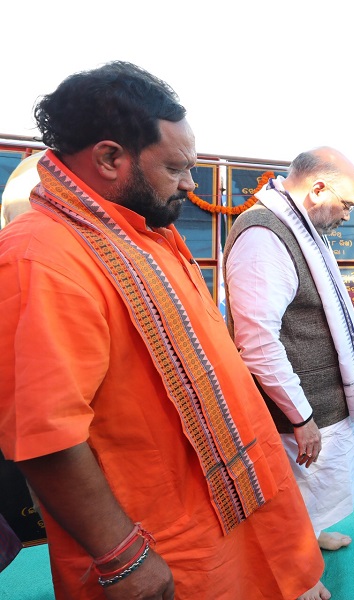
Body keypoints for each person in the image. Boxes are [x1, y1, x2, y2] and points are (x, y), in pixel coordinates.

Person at [0, 62, 328, 600]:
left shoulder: (144, 231)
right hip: (167, 546)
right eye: (176, 168)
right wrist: (122, 557)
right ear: (109, 158)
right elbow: (44, 436)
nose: (190, 184)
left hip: (233, 514)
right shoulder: (41, 258)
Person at [224, 147, 354, 554]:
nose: (348, 215)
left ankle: (312, 535)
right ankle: (298, 565)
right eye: (345, 204)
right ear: (317, 189)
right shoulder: (263, 235)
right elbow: (257, 342)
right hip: (297, 411)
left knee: (323, 484)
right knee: (298, 489)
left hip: (324, 401)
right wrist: (301, 415)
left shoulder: (300, 228)